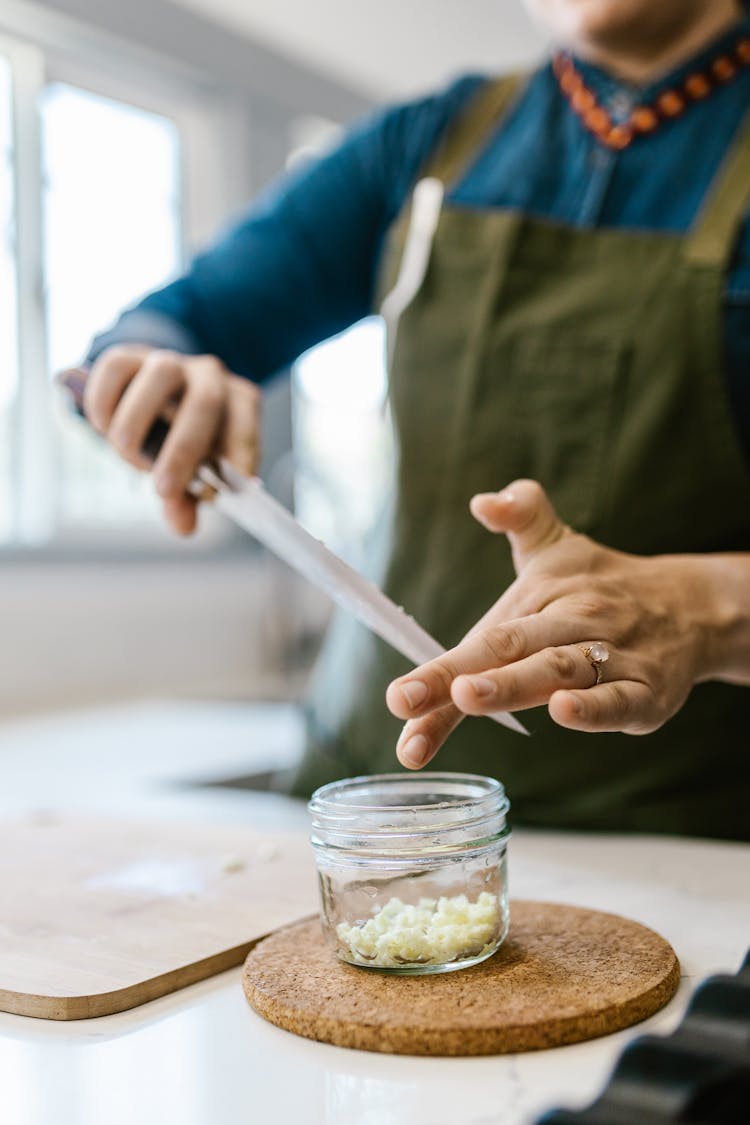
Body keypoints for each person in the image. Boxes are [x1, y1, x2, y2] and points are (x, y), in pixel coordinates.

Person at [80, 0, 750, 839]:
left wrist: (711, 604)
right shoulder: (426, 142)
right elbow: (170, 324)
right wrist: (155, 374)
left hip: (689, 834)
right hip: (382, 810)